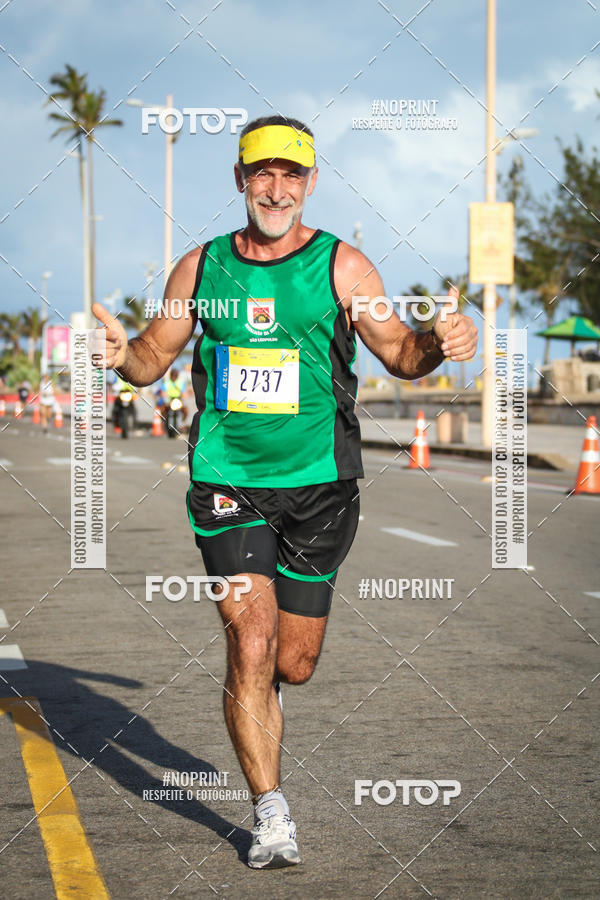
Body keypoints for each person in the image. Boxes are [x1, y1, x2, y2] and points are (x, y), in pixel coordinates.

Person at [93, 114, 478, 869]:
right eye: (262, 173)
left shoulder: (344, 266)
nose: (276, 188)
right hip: (228, 480)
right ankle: (271, 812)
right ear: (240, 179)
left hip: (323, 486)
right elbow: (150, 360)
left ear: (309, 182)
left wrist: (440, 342)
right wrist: (119, 357)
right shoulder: (199, 271)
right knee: (251, 638)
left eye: (291, 174)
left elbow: (400, 352)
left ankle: (260, 699)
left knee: (292, 664)